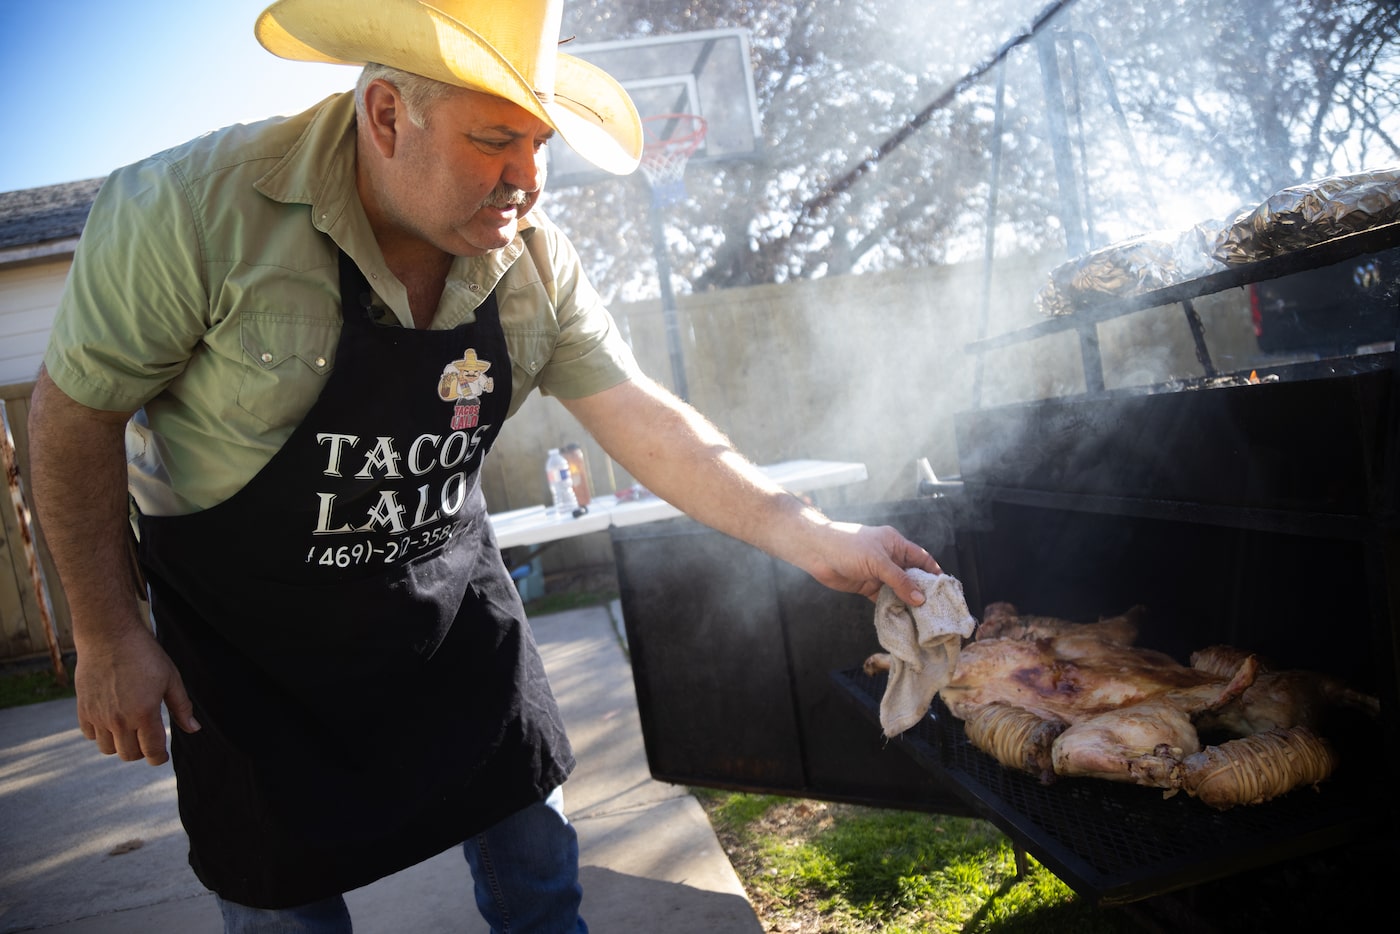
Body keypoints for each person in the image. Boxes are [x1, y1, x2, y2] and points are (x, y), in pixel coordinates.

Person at [26, 1, 943, 931]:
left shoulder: (533, 261)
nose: (529, 180)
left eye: (541, 143)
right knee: (281, 901)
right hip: (246, 641)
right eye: (497, 140)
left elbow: (643, 419)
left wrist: (812, 533)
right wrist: (106, 631)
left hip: (443, 603)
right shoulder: (190, 209)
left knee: (536, 860)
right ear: (386, 115)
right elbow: (72, 418)